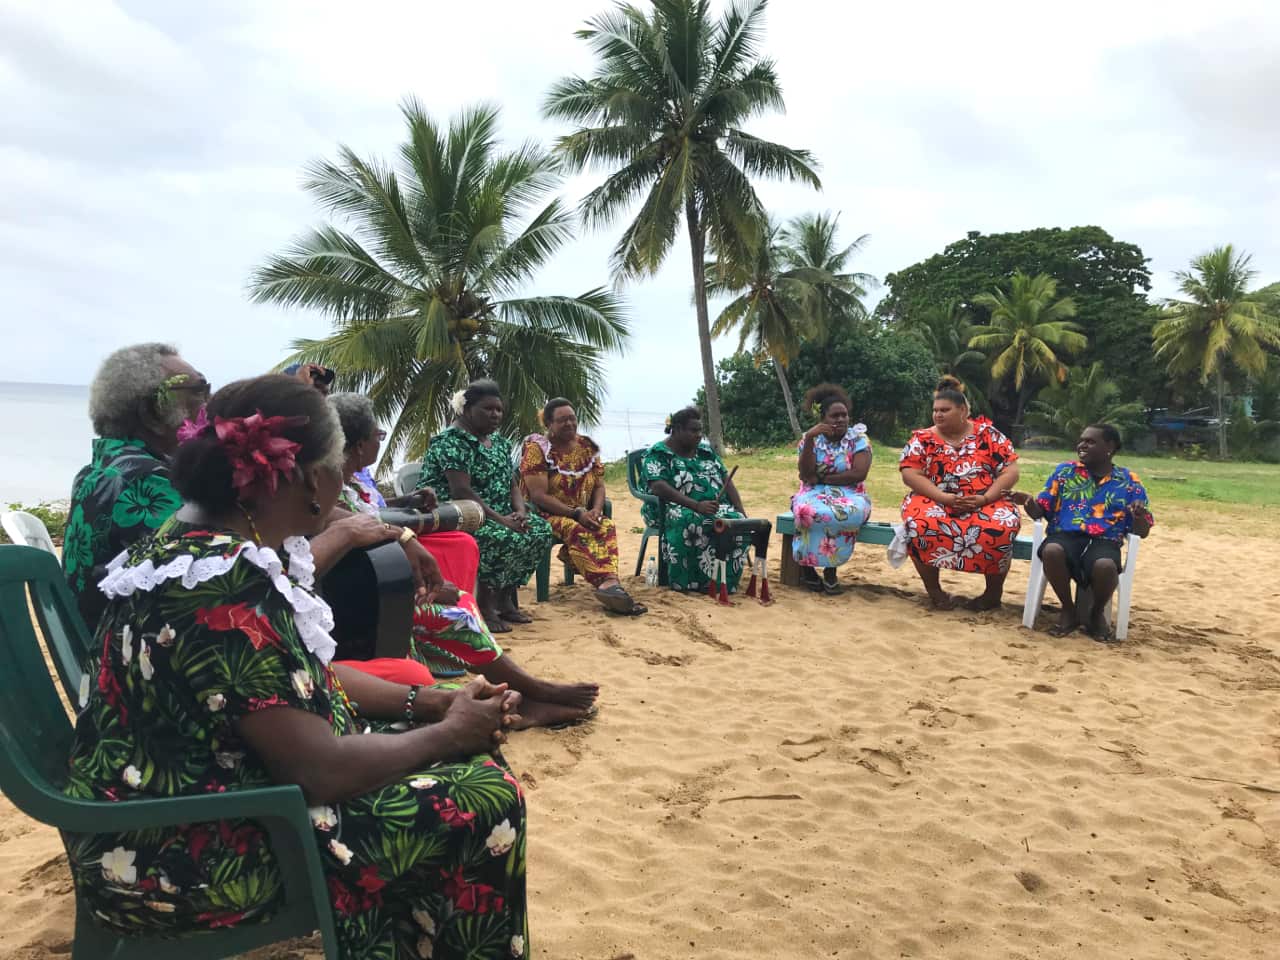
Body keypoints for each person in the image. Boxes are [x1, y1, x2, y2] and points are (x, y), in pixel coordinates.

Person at [65, 374, 530, 959]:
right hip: (185, 856)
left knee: (453, 753)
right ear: (313, 479)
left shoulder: (187, 545)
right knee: (487, 792)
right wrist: (448, 732)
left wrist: (430, 703)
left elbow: (297, 683)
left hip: (154, 810)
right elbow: (322, 772)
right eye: (339, 464)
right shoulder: (230, 592)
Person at [331, 393, 598, 727]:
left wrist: (408, 500)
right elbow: (346, 518)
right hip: (363, 601)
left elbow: (372, 510)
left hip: (382, 589)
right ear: (357, 445)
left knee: (459, 601)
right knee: (453, 615)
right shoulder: (327, 489)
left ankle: (517, 692)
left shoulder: (352, 481)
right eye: (378, 435)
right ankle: (527, 694)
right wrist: (402, 536)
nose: (380, 441)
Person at [61, 343, 210, 628]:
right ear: (151, 413)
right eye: (197, 391)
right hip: (126, 658)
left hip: (98, 644)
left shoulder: (103, 468)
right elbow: (223, 581)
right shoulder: (145, 481)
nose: (207, 404)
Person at [420, 381, 554, 632]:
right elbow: (462, 490)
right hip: (458, 513)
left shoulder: (499, 443)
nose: (495, 415)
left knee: (539, 530)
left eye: (499, 410)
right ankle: (485, 604)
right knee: (498, 536)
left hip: (496, 511)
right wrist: (503, 520)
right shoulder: (452, 441)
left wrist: (520, 513)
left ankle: (505, 599)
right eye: (487, 409)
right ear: (467, 409)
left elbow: (512, 483)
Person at [1011, 423, 1154, 641]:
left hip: (1105, 540)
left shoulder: (1128, 481)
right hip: (1066, 535)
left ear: (1110, 446)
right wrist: (1029, 503)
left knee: (1106, 566)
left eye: (1090, 441)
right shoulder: (1065, 472)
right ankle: (1068, 609)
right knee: (1051, 551)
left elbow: (1141, 532)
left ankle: (1095, 613)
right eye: (1081, 440)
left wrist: (1139, 517)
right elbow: (1042, 509)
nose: (1082, 445)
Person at [899, 376, 1021, 610]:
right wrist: (943, 498)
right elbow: (910, 474)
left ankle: (992, 594)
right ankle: (934, 591)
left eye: (945, 410)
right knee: (918, 524)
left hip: (986, 499)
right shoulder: (922, 438)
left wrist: (985, 498)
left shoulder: (989, 435)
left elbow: (1010, 471)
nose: (938, 415)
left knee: (1002, 526)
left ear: (963, 410)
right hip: (934, 498)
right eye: (935, 410)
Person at [519, 398, 645, 615]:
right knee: (577, 529)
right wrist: (576, 513)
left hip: (582, 511)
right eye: (562, 420)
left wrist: (595, 510)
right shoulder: (538, 449)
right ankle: (606, 585)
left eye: (572, 419)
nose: (569, 424)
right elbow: (538, 495)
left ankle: (610, 583)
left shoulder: (587, 446)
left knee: (605, 525)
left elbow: (599, 485)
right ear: (548, 424)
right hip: (545, 513)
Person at [641, 407, 748, 593]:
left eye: (700, 430)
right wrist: (696, 505)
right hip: (672, 507)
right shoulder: (658, 453)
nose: (699, 435)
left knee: (736, 522)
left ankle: (723, 582)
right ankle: (688, 583)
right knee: (692, 520)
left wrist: (740, 509)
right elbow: (657, 486)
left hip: (712, 507)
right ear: (676, 429)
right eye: (693, 430)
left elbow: (726, 480)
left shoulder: (705, 452)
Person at [791, 384, 873, 595]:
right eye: (834, 416)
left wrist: (823, 478)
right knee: (805, 512)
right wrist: (809, 438)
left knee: (844, 513)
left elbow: (858, 474)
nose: (840, 420)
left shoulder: (858, 440)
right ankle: (807, 567)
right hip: (813, 491)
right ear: (823, 419)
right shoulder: (811, 439)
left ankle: (830, 568)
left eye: (844, 415)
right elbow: (806, 473)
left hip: (850, 493)